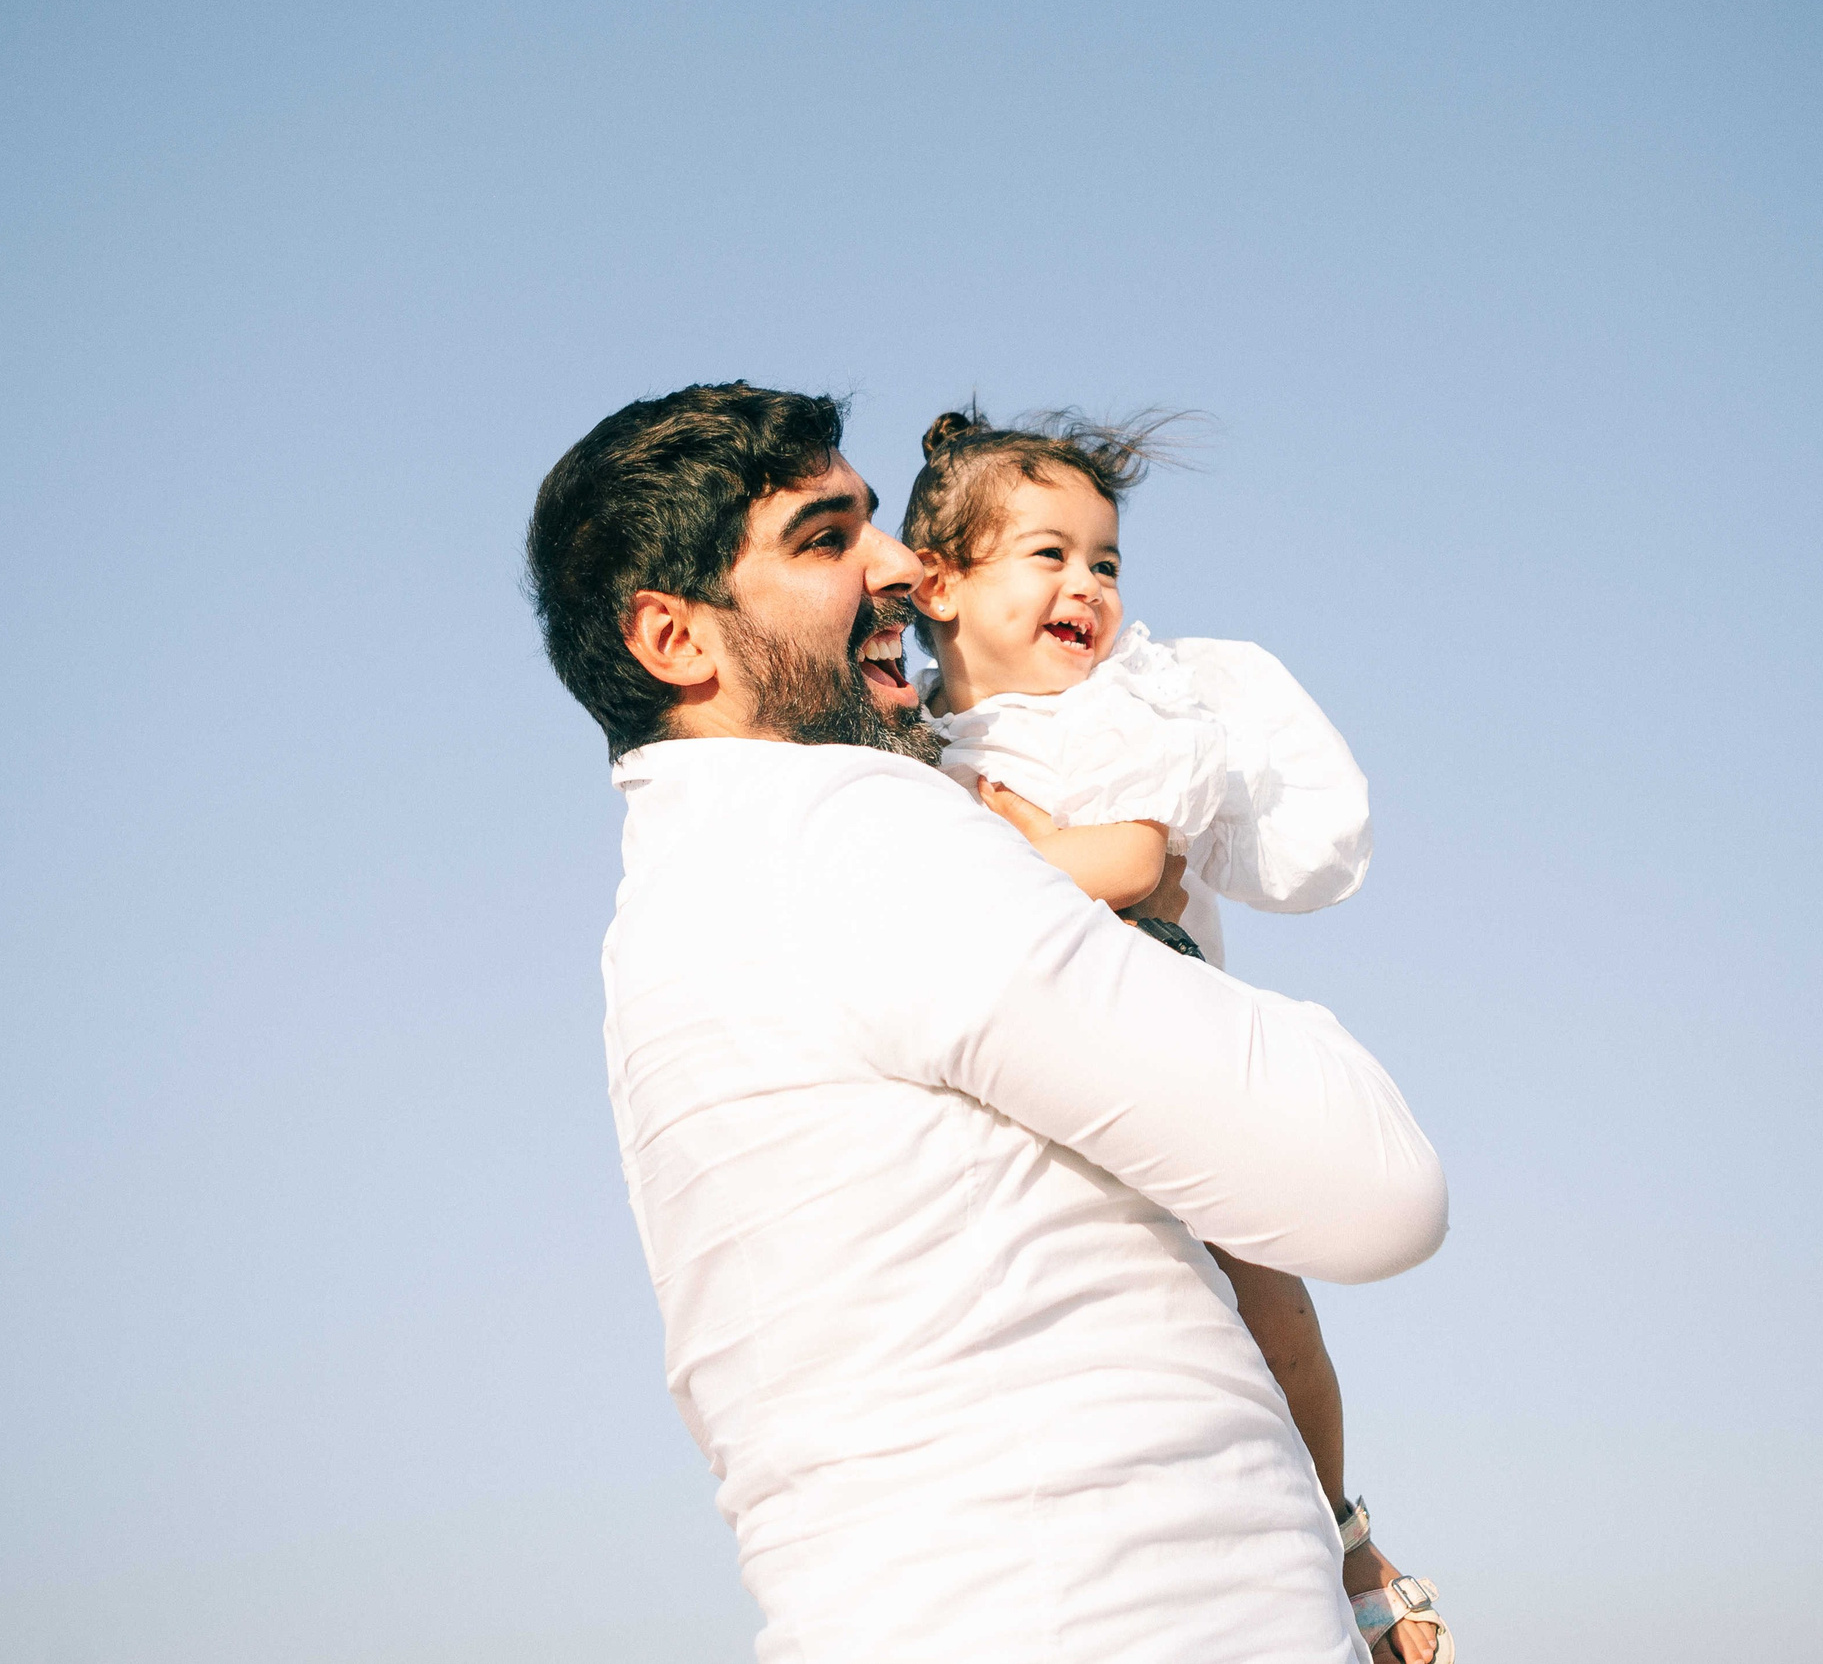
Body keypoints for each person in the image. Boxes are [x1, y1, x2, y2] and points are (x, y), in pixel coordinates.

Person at [525, 381, 1449, 1664]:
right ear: (674, 639)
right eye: (826, 537)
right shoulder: (850, 831)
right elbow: (1378, 1190)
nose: (899, 565)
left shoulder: (677, 905)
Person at [900, 404, 1449, 1664]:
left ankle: (1344, 1530)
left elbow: (1134, 865)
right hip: (1032, 1057)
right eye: (1047, 554)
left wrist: (1020, 849)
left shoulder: (1118, 715)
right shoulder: (916, 741)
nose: (1086, 585)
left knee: (1268, 1299)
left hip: (1158, 1024)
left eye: (1104, 560)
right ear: (938, 583)